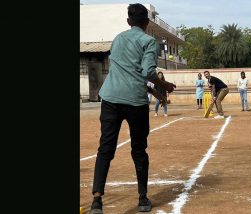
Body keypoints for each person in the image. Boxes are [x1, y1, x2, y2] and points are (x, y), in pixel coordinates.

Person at [89, 4, 176, 214]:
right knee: (139, 150)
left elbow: (127, 70)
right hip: (135, 102)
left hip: (109, 98)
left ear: (128, 21)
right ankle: (143, 198)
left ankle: (97, 201)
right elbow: (147, 72)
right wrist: (164, 86)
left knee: (105, 148)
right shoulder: (148, 41)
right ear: (147, 22)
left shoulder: (118, 38)